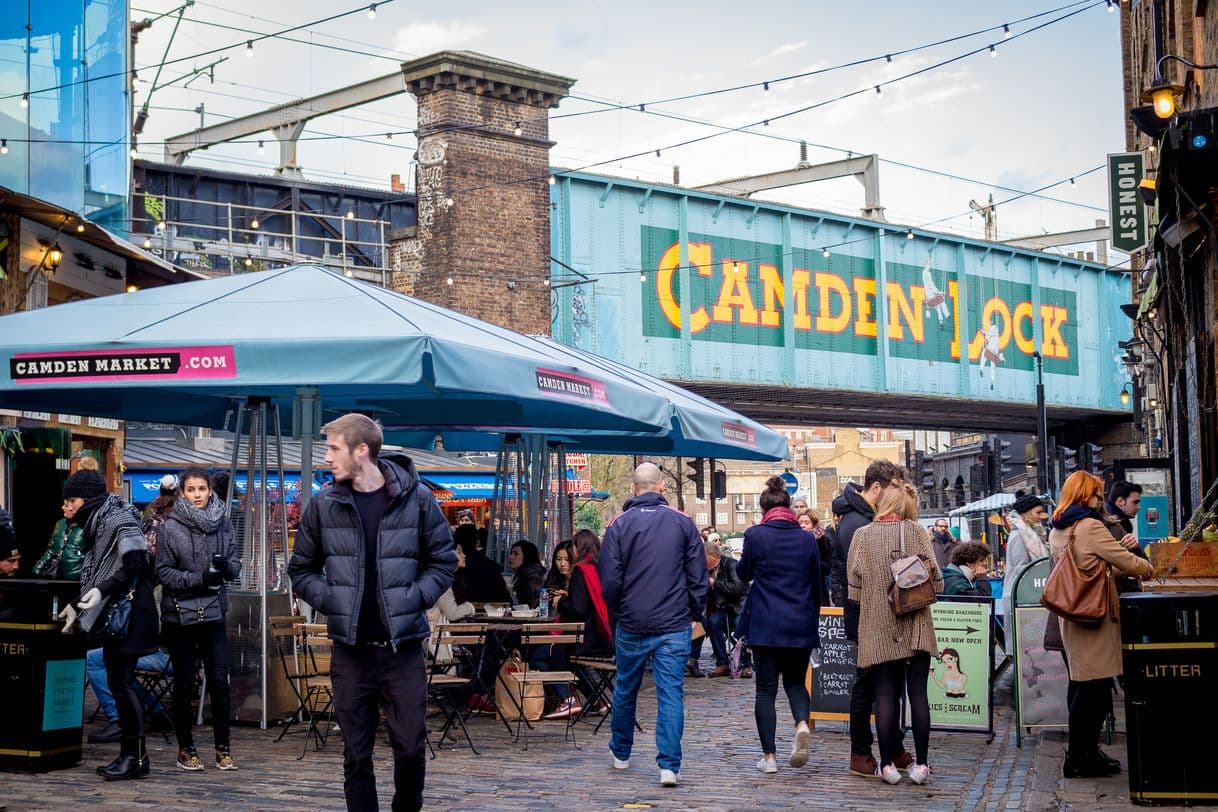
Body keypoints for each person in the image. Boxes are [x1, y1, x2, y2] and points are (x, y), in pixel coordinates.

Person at [288, 414, 456, 812]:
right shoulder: (324, 504)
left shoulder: (417, 499)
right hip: (351, 651)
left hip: (403, 649)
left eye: (333, 448)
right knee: (356, 755)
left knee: (412, 748)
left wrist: (415, 597)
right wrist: (331, 599)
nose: (327, 457)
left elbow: (444, 561)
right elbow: (301, 569)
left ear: (361, 450)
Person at [600, 462, 707, 788]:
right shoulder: (683, 523)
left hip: (632, 621)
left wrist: (619, 612)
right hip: (673, 623)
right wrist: (694, 613)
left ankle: (621, 751)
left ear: (633, 488)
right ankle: (669, 766)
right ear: (662, 486)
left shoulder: (618, 525)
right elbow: (698, 578)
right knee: (671, 693)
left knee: (625, 688)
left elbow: (610, 581)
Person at [1048, 471, 1153, 779]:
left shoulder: (1059, 527)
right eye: (1096, 495)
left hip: (1072, 612)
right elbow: (1123, 559)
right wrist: (1149, 568)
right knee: (1092, 689)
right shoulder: (1090, 526)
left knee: (1083, 685)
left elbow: (1092, 567)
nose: (1099, 501)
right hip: (1093, 614)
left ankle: (1086, 752)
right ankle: (1080, 757)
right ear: (1084, 497)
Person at [56, 469, 158, 781]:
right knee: (119, 682)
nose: (65, 507)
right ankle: (133, 756)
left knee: (121, 683)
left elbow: (137, 562)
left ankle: (135, 757)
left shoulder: (118, 519)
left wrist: (99, 591)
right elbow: (102, 573)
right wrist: (77, 604)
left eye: (70, 500)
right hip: (122, 614)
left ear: (86, 499)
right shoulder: (100, 522)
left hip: (131, 616)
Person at [847, 482, 941, 786]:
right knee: (918, 694)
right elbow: (936, 580)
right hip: (915, 624)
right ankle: (922, 765)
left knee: (885, 694)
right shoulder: (915, 532)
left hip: (878, 626)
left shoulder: (862, 535)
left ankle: (887, 765)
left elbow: (854, 586)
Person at [155, 467, 241, 772]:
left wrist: (226, 567)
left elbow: (236, 563)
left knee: (219, 679)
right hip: (181, 614)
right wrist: (198, 578)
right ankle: (185, 748)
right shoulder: (170, 528)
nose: (197, 496)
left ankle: (223, 747)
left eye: (201, 489)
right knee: (184, 681)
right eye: (191, 490)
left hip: (214, 611)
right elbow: (162, 571)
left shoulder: (224, 522)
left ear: (210, 490)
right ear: (182, 492)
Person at [831, 459, 912, 777]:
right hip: (866, 616)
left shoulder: (862, 518)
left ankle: (892, 745)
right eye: (891, 492)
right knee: (867, 685)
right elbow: (863, 578)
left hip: (875, 615)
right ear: (876, 487)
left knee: (886, 684)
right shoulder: (856, 525)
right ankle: (861, 752)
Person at [736, 476, 821, 775]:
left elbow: (743, 573)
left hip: (766, 624)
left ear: (763, 509)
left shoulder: (755, 535)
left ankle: (769, 758)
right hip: (800, 623)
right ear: (788, 508)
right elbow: (816, 583)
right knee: (796, 683)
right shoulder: (806, 538)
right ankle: (801, 724)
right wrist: (815, 616)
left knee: (765, 691)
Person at [541, 530, 614, 720]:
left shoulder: (581, 571)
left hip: (584, 640)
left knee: (548, 654)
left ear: (580, 547)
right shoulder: (599, 568)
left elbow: (579, 608)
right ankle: (596, 699)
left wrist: (560, 602)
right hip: (601, 637)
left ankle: (568, 699)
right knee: (560, 656)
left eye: (574, 545)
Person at [690, 540, 749, 679]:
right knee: (711, 622)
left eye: (704, 558)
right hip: (722, 608)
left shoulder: (731, 564)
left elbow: (738, 588)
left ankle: (746, 665)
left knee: (742, 626)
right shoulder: (704, 570)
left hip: (738, 607)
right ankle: (722, 663)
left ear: (714, 557)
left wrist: (715, 583)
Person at [34, 456, 100, 578]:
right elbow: (52, 549)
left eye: (72, 501)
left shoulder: (98, 524)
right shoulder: (62, 524)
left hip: (84, 585)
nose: (67, 507)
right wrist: (38, 569)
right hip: (63, 581)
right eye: (66, 503)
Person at [1002, 492, 1049, 655]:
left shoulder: (1032, 534)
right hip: (1020, 599)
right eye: (1037, 512)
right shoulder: (1018, 536)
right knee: (1023, 655)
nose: (1040, 517)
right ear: (1026, 513)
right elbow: (1021, 570)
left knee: (1029, 654)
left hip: (1029, 598)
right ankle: (1008, 682)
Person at [1105, 480, 1149, 594]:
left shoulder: (1120, 524)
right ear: (1120, 502)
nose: (1139, 507)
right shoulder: (1112, 525)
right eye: (1135, 502)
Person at [452, 524, 512, 605]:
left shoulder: (449, 568)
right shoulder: (491, 567)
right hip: (489, 613)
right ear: (477, 542)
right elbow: (505, 598)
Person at [798, 509, 833, 607]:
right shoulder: (793, 540)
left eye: (806, 523)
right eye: (800, 522)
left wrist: (811, 562)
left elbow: (827, 567)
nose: (802, 525)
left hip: (817, 588)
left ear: (814, 524)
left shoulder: (822, 540)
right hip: (797, 589)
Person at [142, 474, 179, 557]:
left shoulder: (151, 507)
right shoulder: (179, 508)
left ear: (161, 489)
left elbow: (143, 526)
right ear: (176, 489)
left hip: (149, 551)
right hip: (169, 554)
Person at [509, 539, 546, 608]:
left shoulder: (533, 576)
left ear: (527, 557)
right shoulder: (522, 574)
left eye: (516, 554)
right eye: (511, 553)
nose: (511, 557)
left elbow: (533, 606)